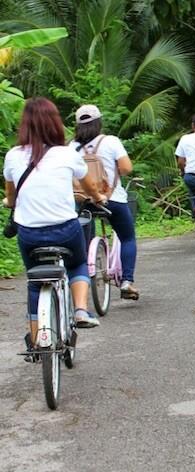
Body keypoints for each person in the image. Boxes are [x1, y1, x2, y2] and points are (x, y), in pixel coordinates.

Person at [3, 97, 105, 344]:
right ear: (55, 124)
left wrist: (10, 203)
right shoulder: (66, 154)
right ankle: (81, 310)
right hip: (65, 229)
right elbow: (88, 185)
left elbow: (11, 196)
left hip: (29, 233)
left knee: (35, 281)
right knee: (78, 263)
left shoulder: (13, 155)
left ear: (24, 125)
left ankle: (37, 338)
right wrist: (98, 196)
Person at [69, 104, 139, 300]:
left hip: (82, 201)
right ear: (99, 122)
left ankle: (79, 280)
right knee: (127, 237)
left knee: (82, 242)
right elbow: (126, 168)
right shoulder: (110, 141)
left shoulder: (71, 147)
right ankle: (126, 281)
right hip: (111, 198)